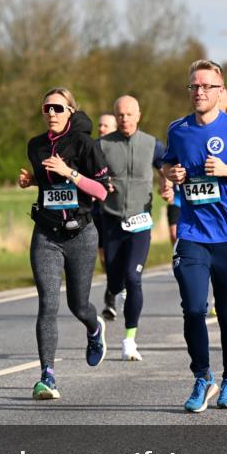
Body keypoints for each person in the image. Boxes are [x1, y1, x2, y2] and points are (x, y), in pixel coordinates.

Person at [161, 60, 227, 412]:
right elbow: (168, 164)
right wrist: (171, 172)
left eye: (207, 86)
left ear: (220, 92)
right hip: (192, 234)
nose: (200, 92)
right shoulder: (177, 130)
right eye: (194, 86)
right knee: (193, 309)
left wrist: (226, 170)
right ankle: (202, 377)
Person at [19, 88, 110, 401]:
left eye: (58, 108)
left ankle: (94, 328)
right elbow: (47, 183)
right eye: (47, 108)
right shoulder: (36, 145)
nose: (52, 113)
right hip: (46, 234)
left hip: (81, 235)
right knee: (48, 303)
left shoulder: (85, 144)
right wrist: (32, 181)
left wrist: (70, 172)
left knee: (78, 305)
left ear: (71, 110)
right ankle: (47, 375)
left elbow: (102, 191)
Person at [97, 96, 165, 361]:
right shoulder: (102, 144)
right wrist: (101, 183)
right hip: (112, 220)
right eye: (120, 115)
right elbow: (89, 172)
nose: (125, 118)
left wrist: (166, 183)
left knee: (133, 277)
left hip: (140, 221)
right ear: (116, 117)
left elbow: (166, 166)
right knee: (114, 282)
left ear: (139, 115)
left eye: (129, 114)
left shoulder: (152, 144)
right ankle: (117, 291)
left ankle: (129, 340)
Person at [95, 113, 119, 315]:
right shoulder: (92, 147)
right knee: (104, 256)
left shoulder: (122, 146)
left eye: (106, 126)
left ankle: (112, 296)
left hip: (119, 208)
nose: (102, 129)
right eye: (100, 125)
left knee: (122, 253)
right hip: (97, 208)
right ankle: (113, 285)